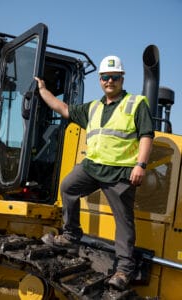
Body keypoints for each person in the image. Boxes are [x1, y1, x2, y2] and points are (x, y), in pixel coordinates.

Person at [35, 55, 154, 291]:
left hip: (120, 173)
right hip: (92, 167)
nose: (110, 81)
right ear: (100, 80)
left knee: (123, 222)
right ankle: (71, 235)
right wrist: (43, 91)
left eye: (115, 77)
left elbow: (146, 136)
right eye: (105, 77)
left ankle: (123, 270)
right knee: (68, 187)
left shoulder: (136, 104)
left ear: (122, 79)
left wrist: (140, 165)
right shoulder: (94, 107)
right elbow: (64, 109)